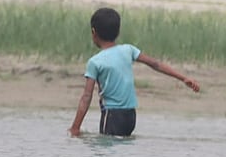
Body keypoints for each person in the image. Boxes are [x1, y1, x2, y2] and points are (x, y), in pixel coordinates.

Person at [69, 7, 201, 137]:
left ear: (93, 32)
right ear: (118, 32)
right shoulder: (128, 50)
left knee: (107, 150)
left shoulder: (95, 62)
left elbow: (86, 97)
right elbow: (155, 64)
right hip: (130, 116)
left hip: (112, 115)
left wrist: (75, 127)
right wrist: (183, 78)